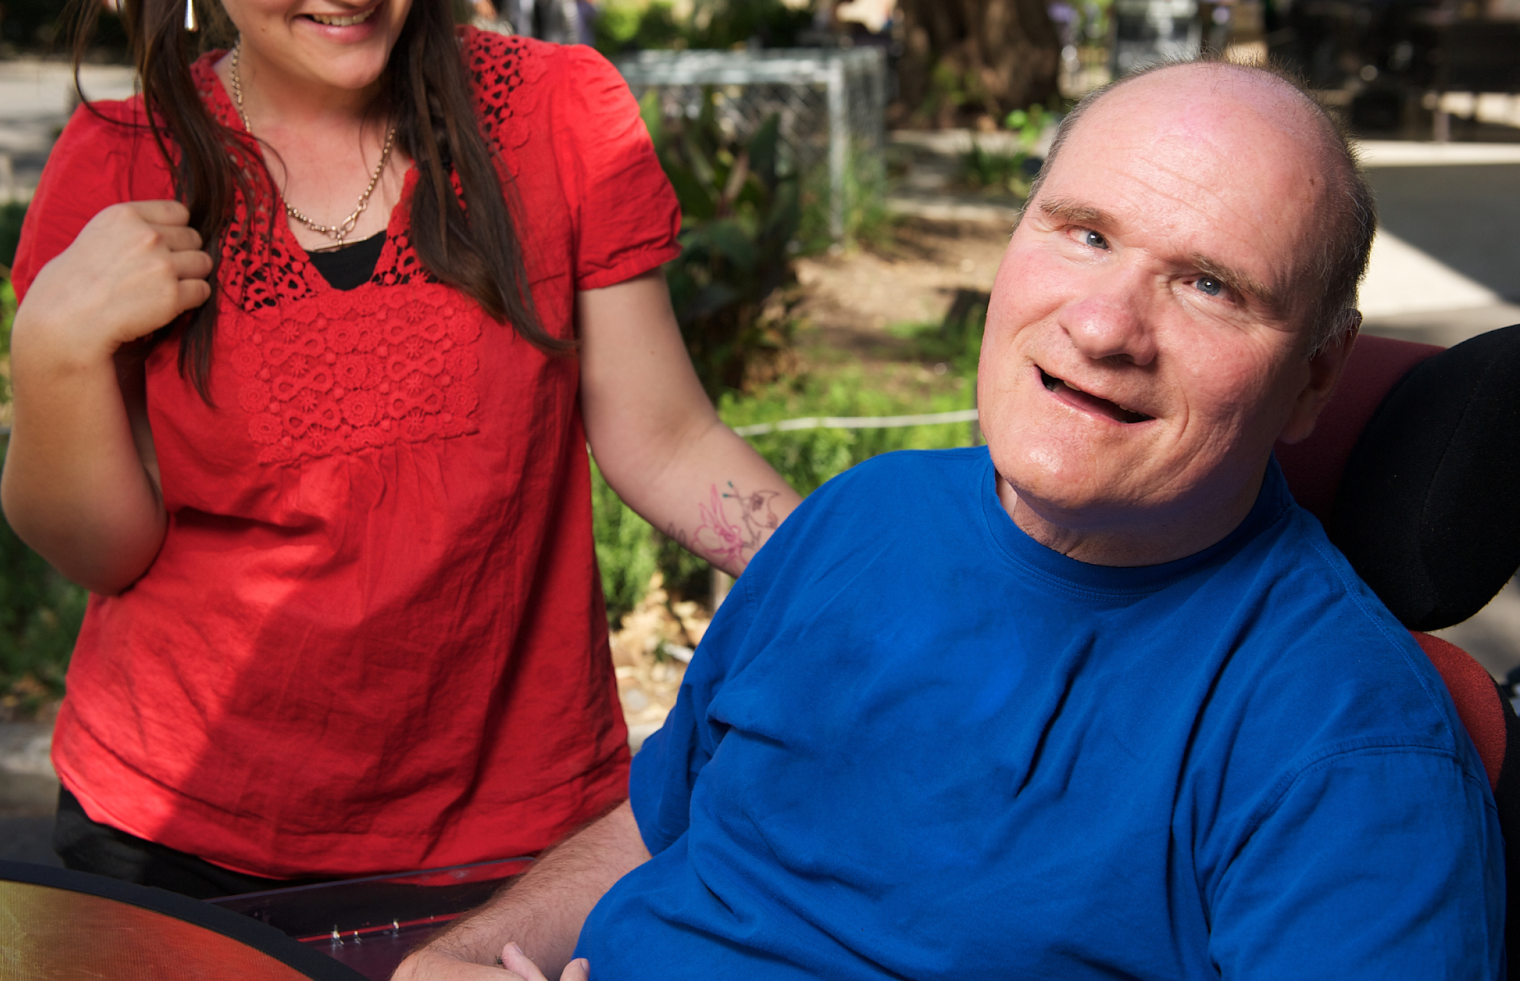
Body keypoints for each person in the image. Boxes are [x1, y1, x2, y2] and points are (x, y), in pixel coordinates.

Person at [394, 61, 1505, 981]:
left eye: (1208, 285)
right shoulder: (860, 520)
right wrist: (472, 953)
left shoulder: (1346, 752)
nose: (1106, 323)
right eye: (1082, 233)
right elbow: (663, 823)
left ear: (1315, 377)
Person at [3, 0, 798, 897]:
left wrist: (854, 582)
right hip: (169, 829)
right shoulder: (115, 163)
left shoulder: (561, 113)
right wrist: (52, 355)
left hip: (515, 846)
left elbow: (665, 441)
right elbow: (101, 549)